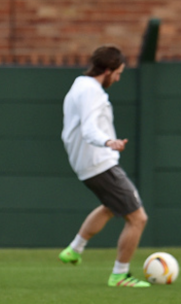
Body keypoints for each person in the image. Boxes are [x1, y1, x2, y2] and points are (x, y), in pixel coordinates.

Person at [59, 45, 150, 288]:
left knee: (111, 207)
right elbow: (89, 129)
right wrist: (108, 142)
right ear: (107, 70)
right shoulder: (92, 92)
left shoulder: (79, 85)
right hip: (99, 162)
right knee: (138, 218)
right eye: (118, 73)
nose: (118, 79)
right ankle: (120, 275)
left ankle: (74, 249)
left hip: (86, 164)